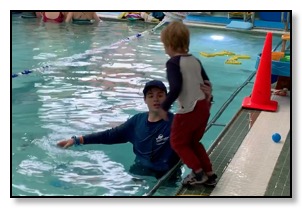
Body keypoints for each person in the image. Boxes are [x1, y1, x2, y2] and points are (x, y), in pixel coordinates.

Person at [57, 79, 212, 180]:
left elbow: (195, 135)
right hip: (138, 170)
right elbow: (110, 135)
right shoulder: (137, 121)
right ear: (145, 100)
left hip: (167, 176)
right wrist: (77, 140)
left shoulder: (176, 123)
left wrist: (207, 100)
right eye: (151, 96)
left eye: (160, 95)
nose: (156, 99)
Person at [159, 21, 217, 186]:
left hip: (190, 109)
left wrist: (164, 107)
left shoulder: (173, 63)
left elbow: (175, 88)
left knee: (178, 142)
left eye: (164, 46)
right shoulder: (195, 60)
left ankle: (198, 174)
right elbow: (207, 83)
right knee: (193, 142)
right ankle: (210, 173)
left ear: (169, 45)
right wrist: (208, 99)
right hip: (203, 107)